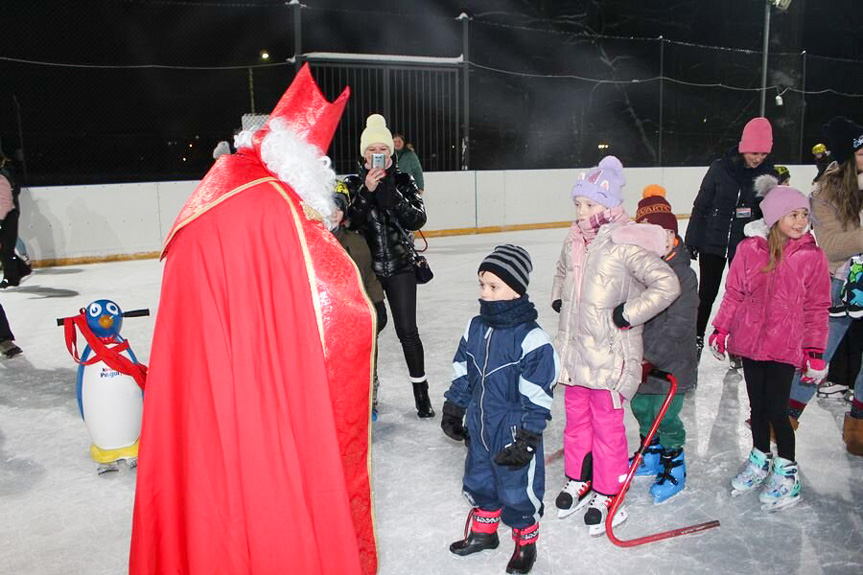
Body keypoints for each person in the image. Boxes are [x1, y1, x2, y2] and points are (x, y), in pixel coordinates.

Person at [129, 65, 378, 574]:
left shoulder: (219, 184)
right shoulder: (278, 205)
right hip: (265, 386)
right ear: (301, 159)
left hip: (203, 378)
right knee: (269, 486)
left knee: (208, 480)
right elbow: (337, 307)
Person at [551, 156, 680, 535]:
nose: (581, 211)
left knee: (607, 429)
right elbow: (561, 271)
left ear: (609, 206)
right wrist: (560, 297)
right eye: (578, 204)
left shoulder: (625, 241)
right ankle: (579, 478)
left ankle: (608, 490)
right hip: (575, 354)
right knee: (575, 422)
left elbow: (667, 284)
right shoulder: (574, 238)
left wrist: (629, 313)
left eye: (589, 205)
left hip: (610, 356)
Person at [709, 176, 830, 511]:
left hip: (784, 345)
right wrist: (720, 329)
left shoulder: (812, 257)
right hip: (750, 342)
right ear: (775, 218)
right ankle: (760, 456)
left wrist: (815, 351)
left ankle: (787, 471)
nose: (801, 221)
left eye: (804, 215)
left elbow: (818, 308)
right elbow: (734, 294)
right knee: (757, 408)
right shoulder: (749, 250)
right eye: (793, 215)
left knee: (778, 410)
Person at [441, 244, 558, 575]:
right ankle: (484, 534)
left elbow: (537, 395)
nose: (485, 293)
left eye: (494, 286)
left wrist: (529, 437)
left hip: (512, 430)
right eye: (482, 285)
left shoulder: (532, 339)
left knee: (517, 489)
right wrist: (454, 408)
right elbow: (464, 370)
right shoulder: (475, 327)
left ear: (516, 288)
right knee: (479, 480)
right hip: (479, 424)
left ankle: (525, 544)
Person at [345, 114, 433, 418]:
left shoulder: (404, 181)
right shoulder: (354, 183)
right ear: (363, 154)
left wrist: (391, 194)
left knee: (408, 332)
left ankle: (422, 395)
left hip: (400, 267)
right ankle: (369, 390)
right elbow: (350, 221)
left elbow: (417, 219)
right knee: (368, 333)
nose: (377, 154)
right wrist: (367, 192)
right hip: (368, 273)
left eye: (382, 149)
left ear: (391, 154)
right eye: (371, 150)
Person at [786, 116, 863, 456]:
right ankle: (782, 420)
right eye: (861, 153)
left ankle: (858, 426)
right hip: (838, 283)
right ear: (848, 157)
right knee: (816, 358)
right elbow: (831, 246)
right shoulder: (825, 193)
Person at [685, 118, 777, 361]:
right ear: (744, 147)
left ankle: (737, 343)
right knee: (706, 294)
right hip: (712, 242)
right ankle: (695, 339)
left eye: (764, 153)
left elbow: (771, 214)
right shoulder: (720, 168)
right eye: (755, 152)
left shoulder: (769, 174)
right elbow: (701, 205)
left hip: (745, 246)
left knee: (741, 296)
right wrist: (692, 238)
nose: (759, 158)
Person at [630, 185, 699, 504]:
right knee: (641, 408)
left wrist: (651, 357)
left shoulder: (684, 274)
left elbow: (680, 323)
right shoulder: (636, 270)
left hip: (671, 362)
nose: (660, 239)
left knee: (665, 415)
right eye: (651, 232)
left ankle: (674, 462)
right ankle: (652, 453)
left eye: (667, 232)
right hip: (641, 359)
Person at [331, 180, 387, 421]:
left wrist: (377, 304)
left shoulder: (356, 242)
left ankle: (367, 399)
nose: (331, 213)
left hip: (356, 315)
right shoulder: (307, 243)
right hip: (326, 318)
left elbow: (368, 276)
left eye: (337, 207)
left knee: (364, 358)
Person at [0, 154, 32, 289]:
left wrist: (0, 220)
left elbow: (5, 202)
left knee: (6, 249)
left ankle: (11, 278)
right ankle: (21, 270)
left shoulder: (2, 177)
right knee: (5, 249)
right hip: (5, 216)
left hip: (7, 217)